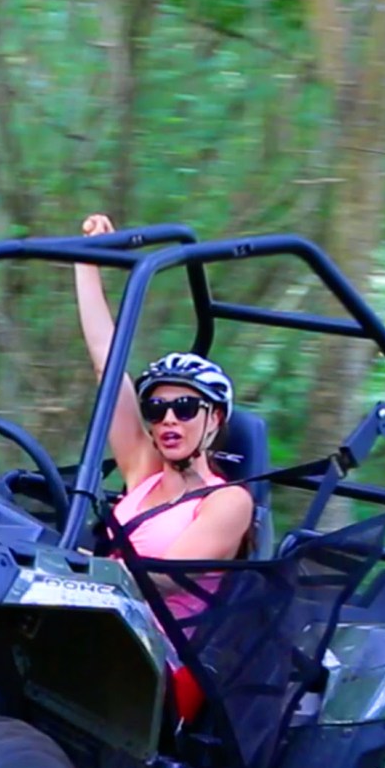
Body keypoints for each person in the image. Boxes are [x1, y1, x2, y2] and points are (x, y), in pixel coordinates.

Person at [73, 213, 253, 619]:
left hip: (163, 658)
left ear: (216, 419)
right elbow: (107, 362)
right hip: (95, 629)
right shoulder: (144, 472)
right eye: (156, 409)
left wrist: (74, 568)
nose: (169, 418)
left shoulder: (228, 502)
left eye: (186, 408)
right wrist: (87, 263)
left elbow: (162, 578)